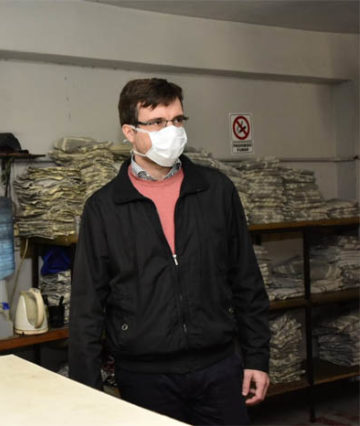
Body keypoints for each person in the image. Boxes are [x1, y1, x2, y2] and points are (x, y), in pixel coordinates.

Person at [68, 78, 270, 425]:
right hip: (145, 377)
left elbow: (246, 279)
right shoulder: (104, 208)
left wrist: (257, 357)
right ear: (129, 132)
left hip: (219, 367)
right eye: (158, 122)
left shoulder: (215, 190)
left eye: (177, 120)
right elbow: (87, 306)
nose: (172, 131)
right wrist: (87, 389)